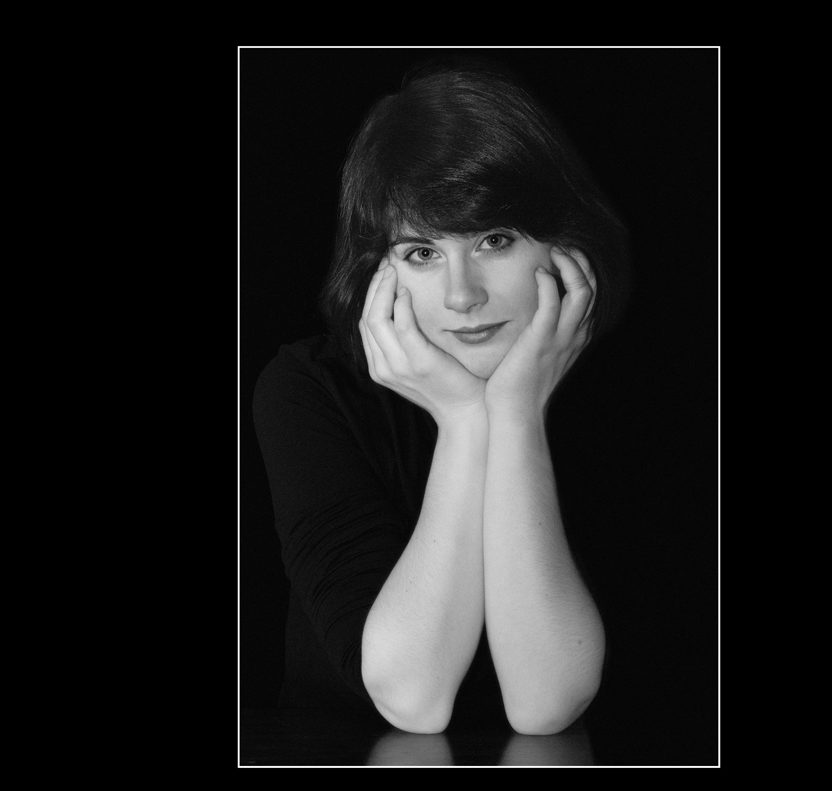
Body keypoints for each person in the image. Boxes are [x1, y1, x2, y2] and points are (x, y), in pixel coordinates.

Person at [253, 59, 630, 736]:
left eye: (495, 240)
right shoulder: (307, 390)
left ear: (564, 247)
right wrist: (464, 420)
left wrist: (515, 413)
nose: (462, 295)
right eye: (422, 253)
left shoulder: (631, 386)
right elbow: (412, 697)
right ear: (380, 271)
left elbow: (546, 701)